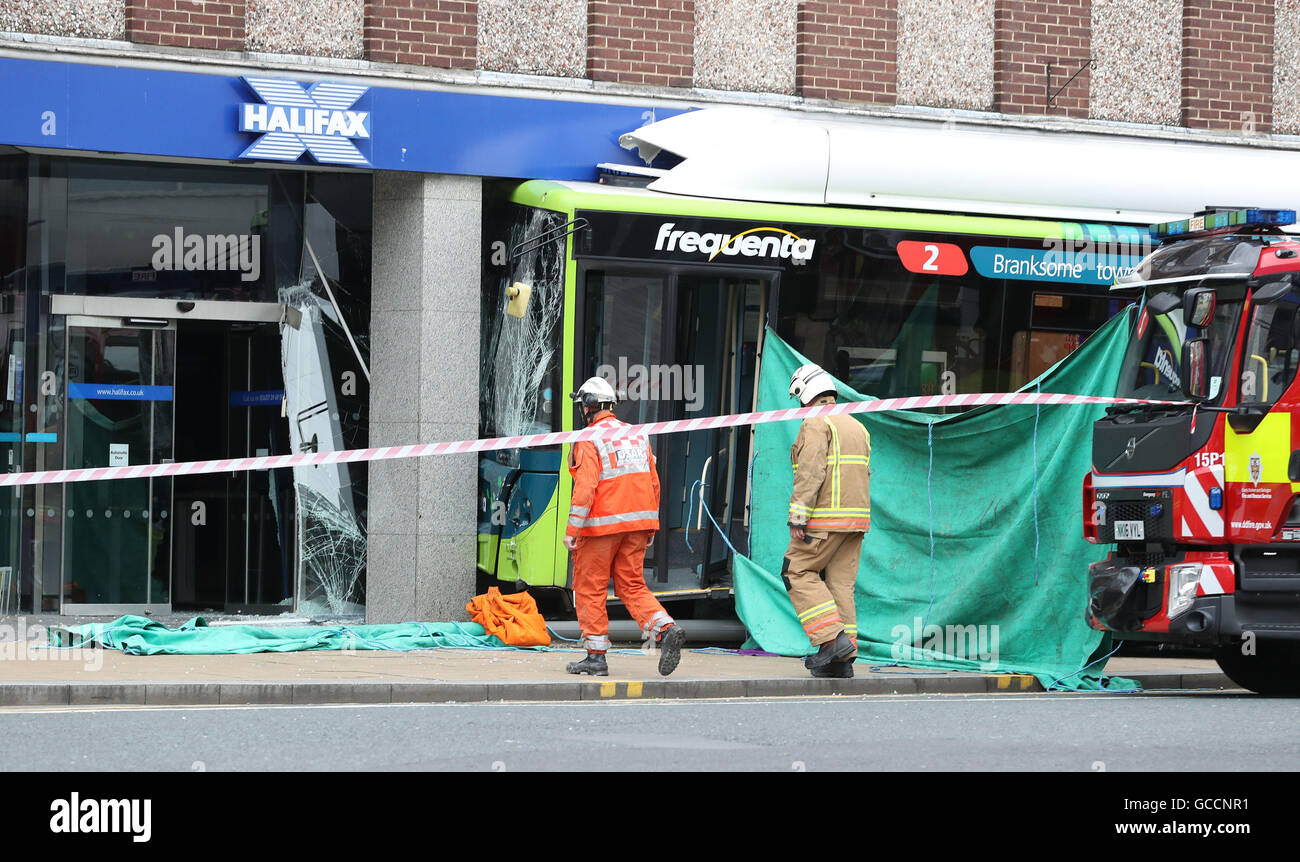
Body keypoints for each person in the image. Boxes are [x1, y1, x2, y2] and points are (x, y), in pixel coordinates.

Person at [562, 376, 686, 677]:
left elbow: (585, 488)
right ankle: (665, 629)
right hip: (638, 524)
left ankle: (596, 656)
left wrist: (572, 531)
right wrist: (651, 527)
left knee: (590, 589)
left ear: (587, 408)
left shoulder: (588, 438)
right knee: (632, 585)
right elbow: (653, 482)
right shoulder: (637, 435)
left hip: (601, 527)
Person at [783, 363, 872, 679]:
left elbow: (810, 472)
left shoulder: (816, 423)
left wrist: (798, 515)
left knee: (796, 571)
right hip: (856, 522)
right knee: (840, 586)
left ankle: (830, 640)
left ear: (806, 394)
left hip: (824, 520)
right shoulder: (856, 426)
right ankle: (842, 662)